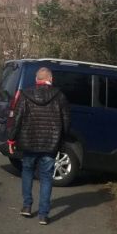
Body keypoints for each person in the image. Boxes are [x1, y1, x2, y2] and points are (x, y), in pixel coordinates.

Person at [8, 67, 70, 225]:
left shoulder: (25, 95)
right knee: (47, 177)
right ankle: (43, 215)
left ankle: (27, 206)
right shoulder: (60, 96)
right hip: (50, 144)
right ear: (51, 79)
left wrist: (11, 139)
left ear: (37, 79)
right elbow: (66, 123)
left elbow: (17, 119)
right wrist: (62, 141)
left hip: (29, 143)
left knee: (27, 171)